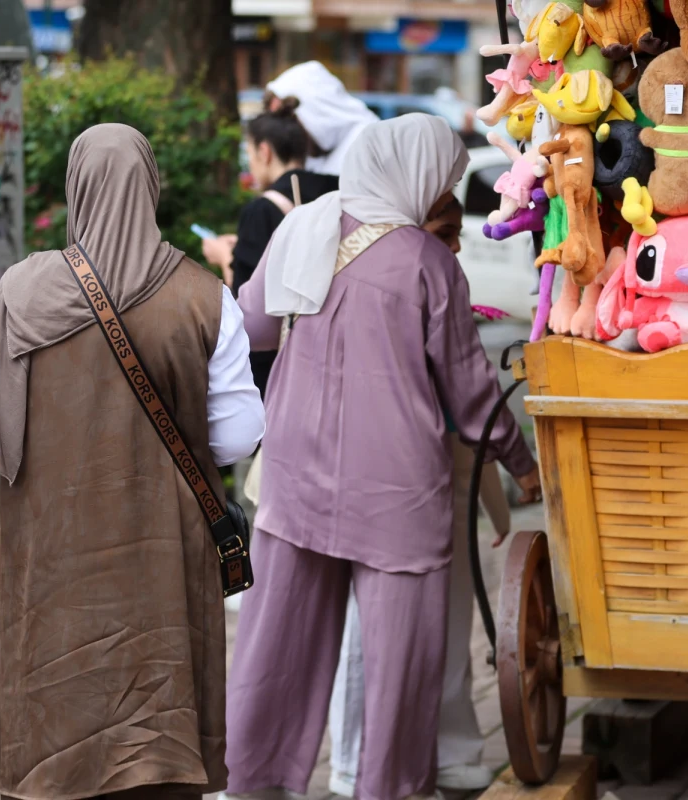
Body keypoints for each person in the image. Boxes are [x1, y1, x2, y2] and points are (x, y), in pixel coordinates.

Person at [224, 115, 541, 800]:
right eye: (445, 179)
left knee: (275, 650)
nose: (445, 190)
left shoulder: (300, 229)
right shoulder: (427, 263)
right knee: (401, 668)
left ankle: (254, 786)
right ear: (417, 176)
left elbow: (248, 326)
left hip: (293, 477)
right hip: (395, 493)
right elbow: (471, 389)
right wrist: (522, 463)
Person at [0, 124, 265, 800]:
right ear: (150, 187)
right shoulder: (202, 295)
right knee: (157, 740)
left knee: (51, 728)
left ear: (75, 188)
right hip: (163, 558)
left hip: (50, 556)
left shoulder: (20, 291)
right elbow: (241, 434)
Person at [328, 192, 517, 795]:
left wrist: (504, 485)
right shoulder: (360, 269)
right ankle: (358, 766)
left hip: (445, 473)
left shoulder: (436, 272)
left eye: (458, 233)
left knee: (452, 617)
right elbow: (471, 389)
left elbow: (468, 388)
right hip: (376, 484)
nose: (456, 246)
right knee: (374, 635)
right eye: (444, 232)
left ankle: (451, 749)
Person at [203, 100, 338, 395]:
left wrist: (224, 256)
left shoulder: (261, 210)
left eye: (250, 153)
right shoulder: (335, 190)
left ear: (264, 152)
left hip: (277, 363)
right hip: (332, 344)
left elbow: (245, 303)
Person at [264, 61, 379, 176]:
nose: (282, 131)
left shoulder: (371, 143)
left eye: (285, 117)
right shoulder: (318, 150)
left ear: (313, 109)